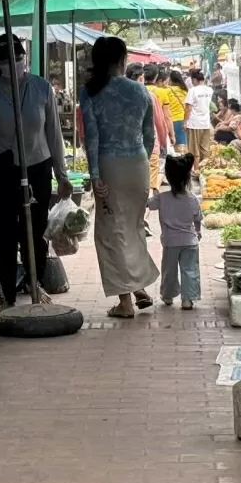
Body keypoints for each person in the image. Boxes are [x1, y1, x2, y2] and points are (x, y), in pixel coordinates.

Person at [0, 33, 73, 306]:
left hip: (38, 166)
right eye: (6, 60)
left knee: (36, 230)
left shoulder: (41, 88)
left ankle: (35, 283)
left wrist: (61, 174)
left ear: (24, 58)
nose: (13, 64)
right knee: (3, 233)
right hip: (3, 167)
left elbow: (54, 135)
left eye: (17, 59)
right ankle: (8, 293)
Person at [81, 36, 160, 318]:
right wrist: (140, 160)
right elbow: (150, 137)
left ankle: (125, 301)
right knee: (134, 228)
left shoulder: (90, 91)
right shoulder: (140, 91)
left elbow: (91, 137)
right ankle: (137, 287)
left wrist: (94, 175)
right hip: (137, 163)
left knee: (111, 233)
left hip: (108, 164)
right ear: (121, 59)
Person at [148, 154, 202, 310]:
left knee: (169, 270)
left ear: (168, 177)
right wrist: (198, 232)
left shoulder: (162, 198)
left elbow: (148, 204)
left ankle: (168, 295)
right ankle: (188, 299)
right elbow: (197, 218)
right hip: (190, 242)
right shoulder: (192, 198)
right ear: (187, 177)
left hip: (170, 242)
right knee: (190, 270)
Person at [184, 70, 214, 171]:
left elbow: (188, 108)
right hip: (205, 123)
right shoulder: (210, 90)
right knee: (205, 148)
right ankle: (204, 169)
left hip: (194, 123)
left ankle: (196, 170)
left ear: (194, 80)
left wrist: (185, 122)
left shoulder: (193, 90)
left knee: (194, 149)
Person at [166, 71, 189, 153]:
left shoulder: (167, 90)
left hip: (172, 121)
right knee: (183, 146)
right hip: (184, 121)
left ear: (171, 80)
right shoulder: (185, 91)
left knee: (174, 147)